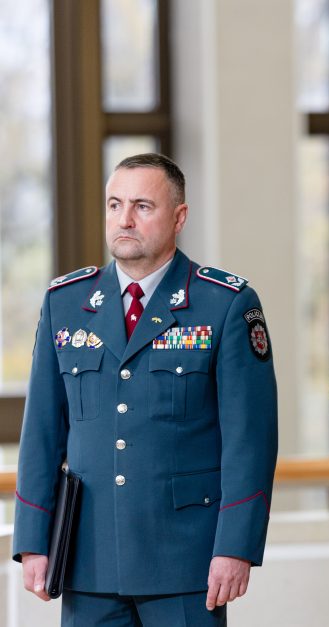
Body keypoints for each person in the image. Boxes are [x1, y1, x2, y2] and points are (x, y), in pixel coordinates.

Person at [13, 153, 279, 626]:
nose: (124, 220)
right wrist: (34, 541)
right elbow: (40, 434)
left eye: (142, 206)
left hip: (186, 559)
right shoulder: (67, 303)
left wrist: (236, 546)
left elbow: (250, 441)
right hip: (88, 558)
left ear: (179, 217)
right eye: (114, 205)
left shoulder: (225, 304)